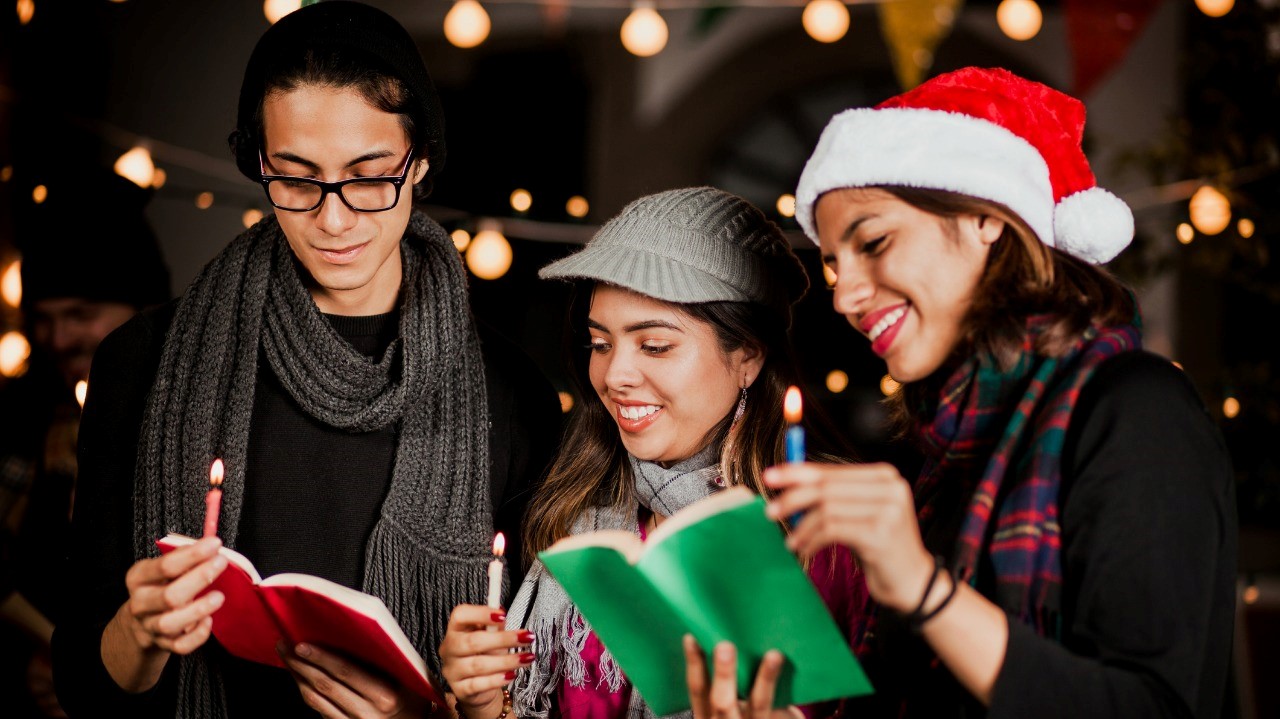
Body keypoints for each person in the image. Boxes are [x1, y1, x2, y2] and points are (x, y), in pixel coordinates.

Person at [50, 3, 560, 717]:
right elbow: (84, 687)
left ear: (421, 165)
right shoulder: (143, 362)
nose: (333, 218)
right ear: (257, 163)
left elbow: (539, 695)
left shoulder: (513, 395)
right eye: (295, 177)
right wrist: (141, 631)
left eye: (369, 175)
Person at [763, 67, 1236, 718]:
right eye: (833, 264)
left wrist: (925, 590)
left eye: (873, 242)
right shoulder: (941, 455)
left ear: (987, 217)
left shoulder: (1137, 410)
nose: (844, 296)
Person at [437, 187, 868, 719]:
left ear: (748, 356)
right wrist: (484, 704)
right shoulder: (576, 518)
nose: (614, 376)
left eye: (655, 345)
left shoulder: (828, 534)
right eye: (600, 344)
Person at [0, 169, 170, 718]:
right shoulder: (19, 415)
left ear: (139, 311)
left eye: (81, 315)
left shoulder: (176, 417)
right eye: (44, 319)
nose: (59, 339)